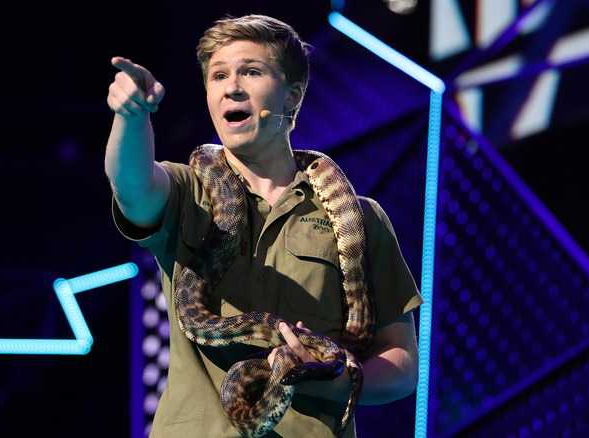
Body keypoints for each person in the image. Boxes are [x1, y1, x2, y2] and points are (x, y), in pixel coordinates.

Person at [105, 14, 422, 438]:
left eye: (250, 71)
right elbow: (131, 182)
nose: (231, 86)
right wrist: (131, 116)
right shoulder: (187, 191)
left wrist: (325, 378)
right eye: (218, 76)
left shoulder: (362, 216)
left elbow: (400, 366)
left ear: (293, 96)